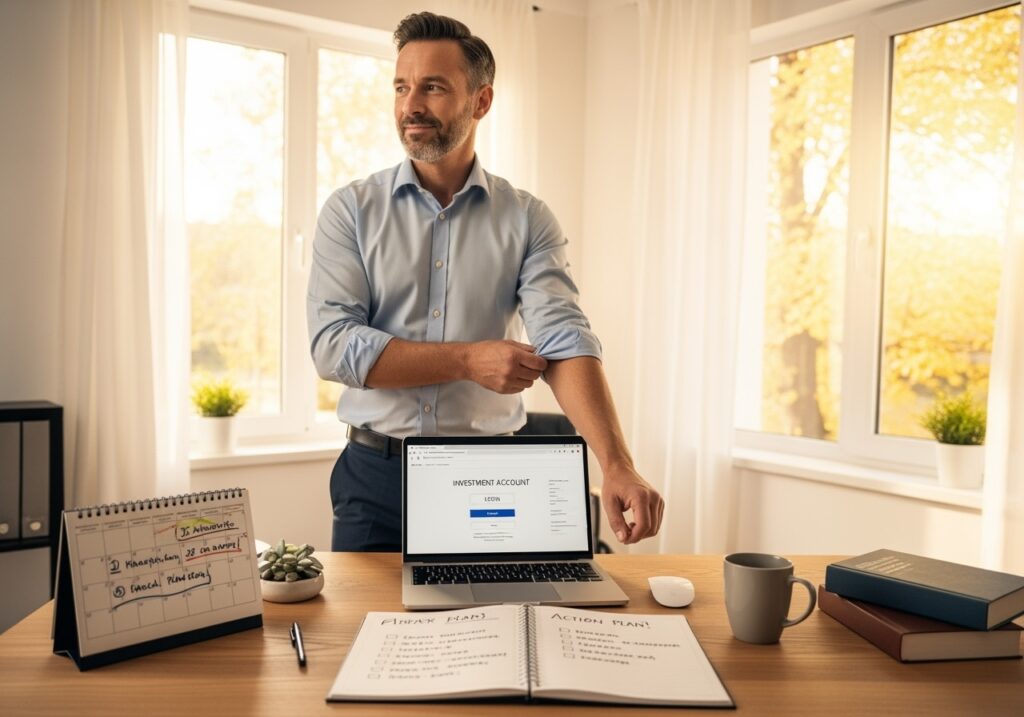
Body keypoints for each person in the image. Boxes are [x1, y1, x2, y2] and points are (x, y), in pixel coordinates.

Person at [308, 11, 664, 552]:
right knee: (364, 633)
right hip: (373, 479)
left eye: (432, 87)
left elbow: (564, 340)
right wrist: (469, 360)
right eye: (402, 87)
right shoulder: (350, 210)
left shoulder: (528, 218)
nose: (410, 105)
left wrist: (616, 464)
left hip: (489, 478)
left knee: (495, 629)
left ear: (481, 101)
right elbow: (335, 349)